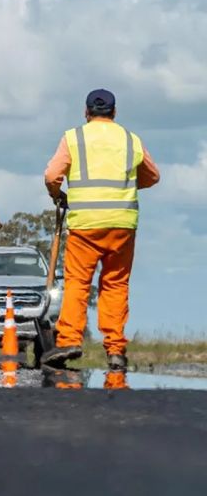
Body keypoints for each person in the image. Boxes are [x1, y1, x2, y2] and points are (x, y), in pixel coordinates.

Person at [41, 89, 159, 371]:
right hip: (122, 223)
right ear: (114, 113)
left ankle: (69, 339)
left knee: (78, 283)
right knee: (116, 284)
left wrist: (58, 194)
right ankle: (115, 349)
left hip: (85, 225)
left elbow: (51, 175)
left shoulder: (74, 138)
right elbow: (152, 175)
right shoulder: (130, 140)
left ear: (86, 112)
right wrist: (125, 185)